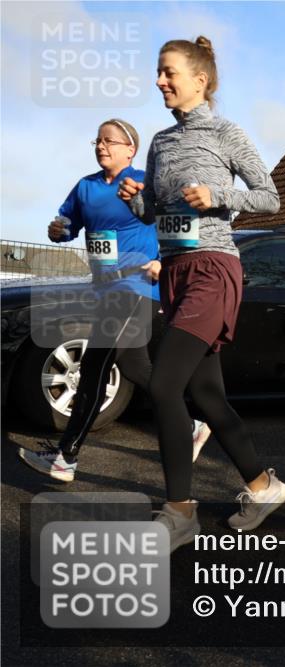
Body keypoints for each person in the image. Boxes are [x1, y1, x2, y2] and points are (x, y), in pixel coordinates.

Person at [118, 36, 285, 551]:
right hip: (175, 269)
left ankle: (179, 510)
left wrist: (220, 196)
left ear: (200, 80)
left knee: (167, 385)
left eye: (168, 72)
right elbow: (156, 215)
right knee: (208, 395)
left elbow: (270, 197)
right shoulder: (161, 141)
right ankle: (264, 485)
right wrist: (137, 203)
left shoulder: (224, 132)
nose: (159, 81)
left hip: (215, 268)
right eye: (157, 72)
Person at [17, 119, 211, 483]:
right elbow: (66, 224)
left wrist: (164, 260)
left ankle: (66, 456)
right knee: (135, 365)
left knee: (95, 365)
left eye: (110, 141)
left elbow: (179, 223)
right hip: (104, 287)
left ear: (129, 149)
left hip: (136, 286)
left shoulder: (143, 181)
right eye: (98, 140)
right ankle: (189, 425)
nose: (101, 146)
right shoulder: (86, 187)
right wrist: (57, 230)